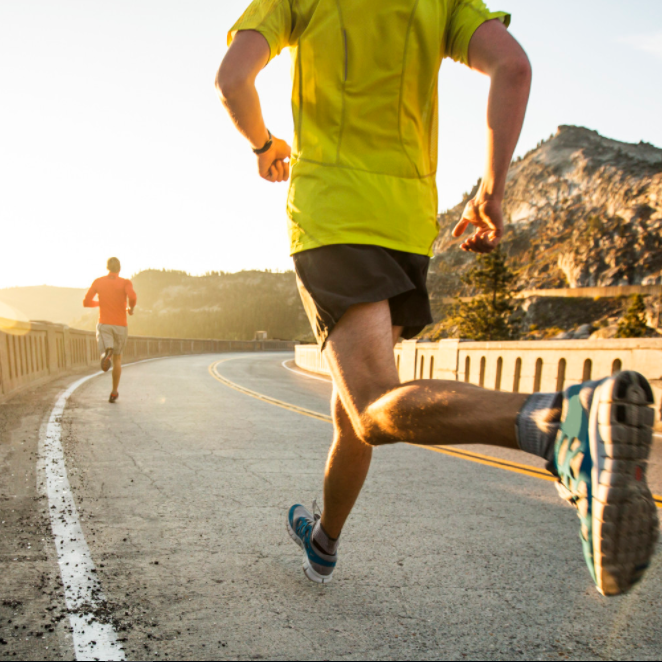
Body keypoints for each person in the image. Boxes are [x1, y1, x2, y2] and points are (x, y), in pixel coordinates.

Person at [216, 0, 658, 595]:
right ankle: (323, 542)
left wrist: (263, 144)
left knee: (373, 404)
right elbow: (514, 69)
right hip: (406, 227)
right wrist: (492, 190)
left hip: (333, 216)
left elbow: (233, 79)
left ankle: (559, 425)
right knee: (354, 412)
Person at [83, 257, 137, 403]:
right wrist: (130, 309)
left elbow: (86, 302)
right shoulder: (125, 282)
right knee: (118, 358)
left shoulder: (98, 282)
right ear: (119, 269)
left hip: (105, 323)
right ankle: (114, 392)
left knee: (106, 347)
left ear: (107, 268)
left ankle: (105, 354)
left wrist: (101, 303)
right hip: (121, 326)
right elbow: (132, 296)